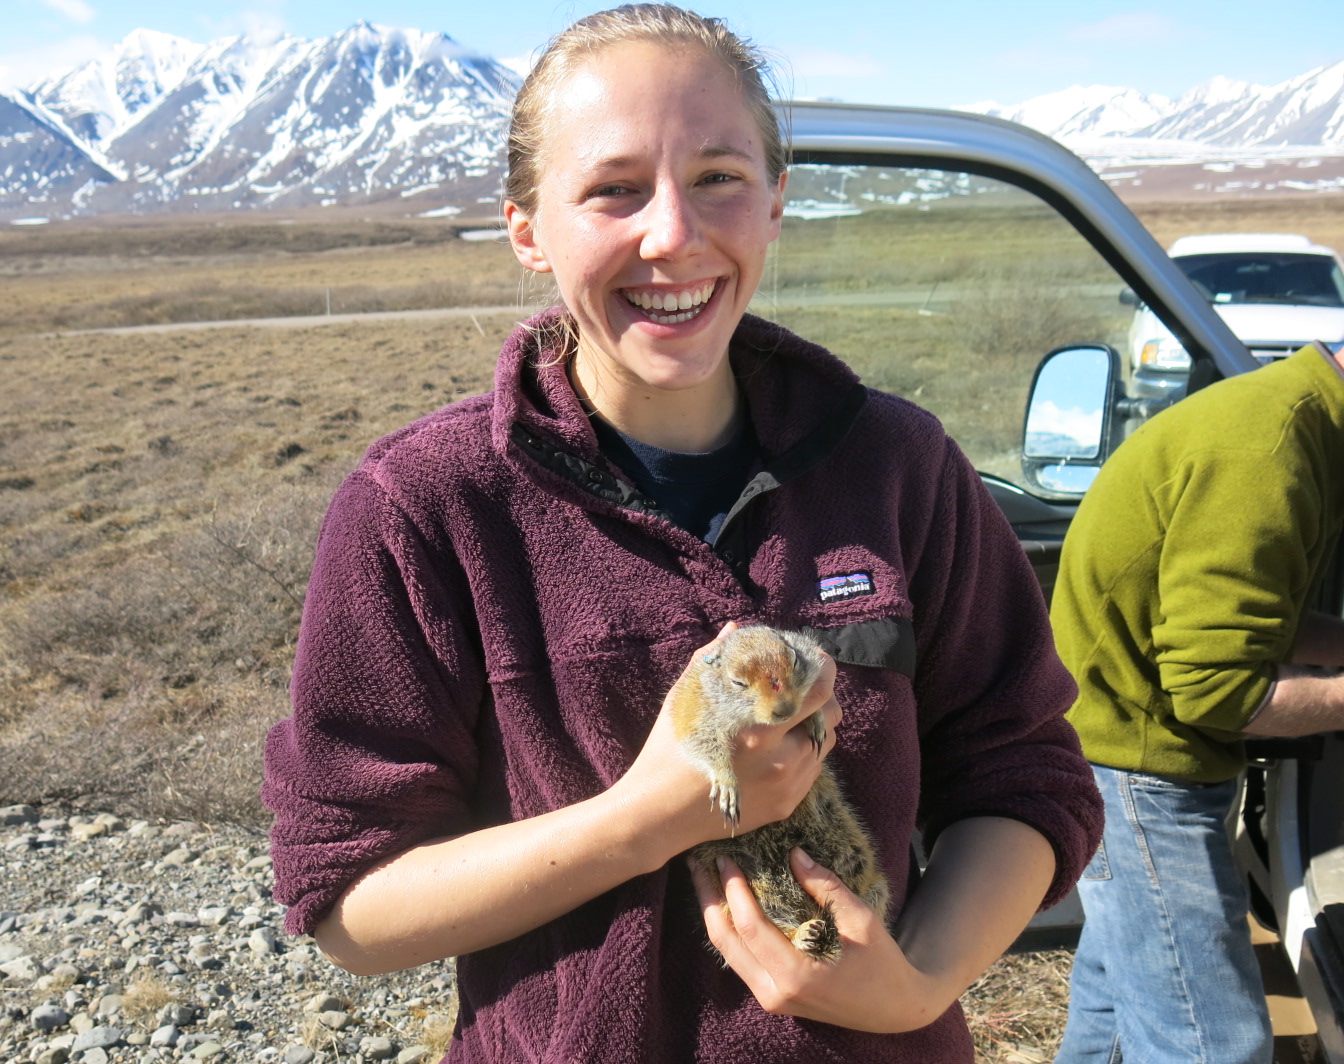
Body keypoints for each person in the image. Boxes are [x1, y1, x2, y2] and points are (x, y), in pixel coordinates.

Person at [262, 5, 1102, 1061]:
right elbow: (349, 902)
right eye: (613, 189)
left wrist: (914, 986)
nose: (673, 234)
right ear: (527, 229)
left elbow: (1025, 775)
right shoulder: (426, 506)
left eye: (718, 177)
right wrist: (652, 816)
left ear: (775, 201)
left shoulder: (897, 466)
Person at [1051, 339, 1344, 1064]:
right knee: (1212, 1044)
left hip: (1120, 748)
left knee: (1116, 1021)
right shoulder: (1266, 452)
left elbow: (1248, 621)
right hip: (1137, 774)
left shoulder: (1296, 422)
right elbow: (1218, 689)